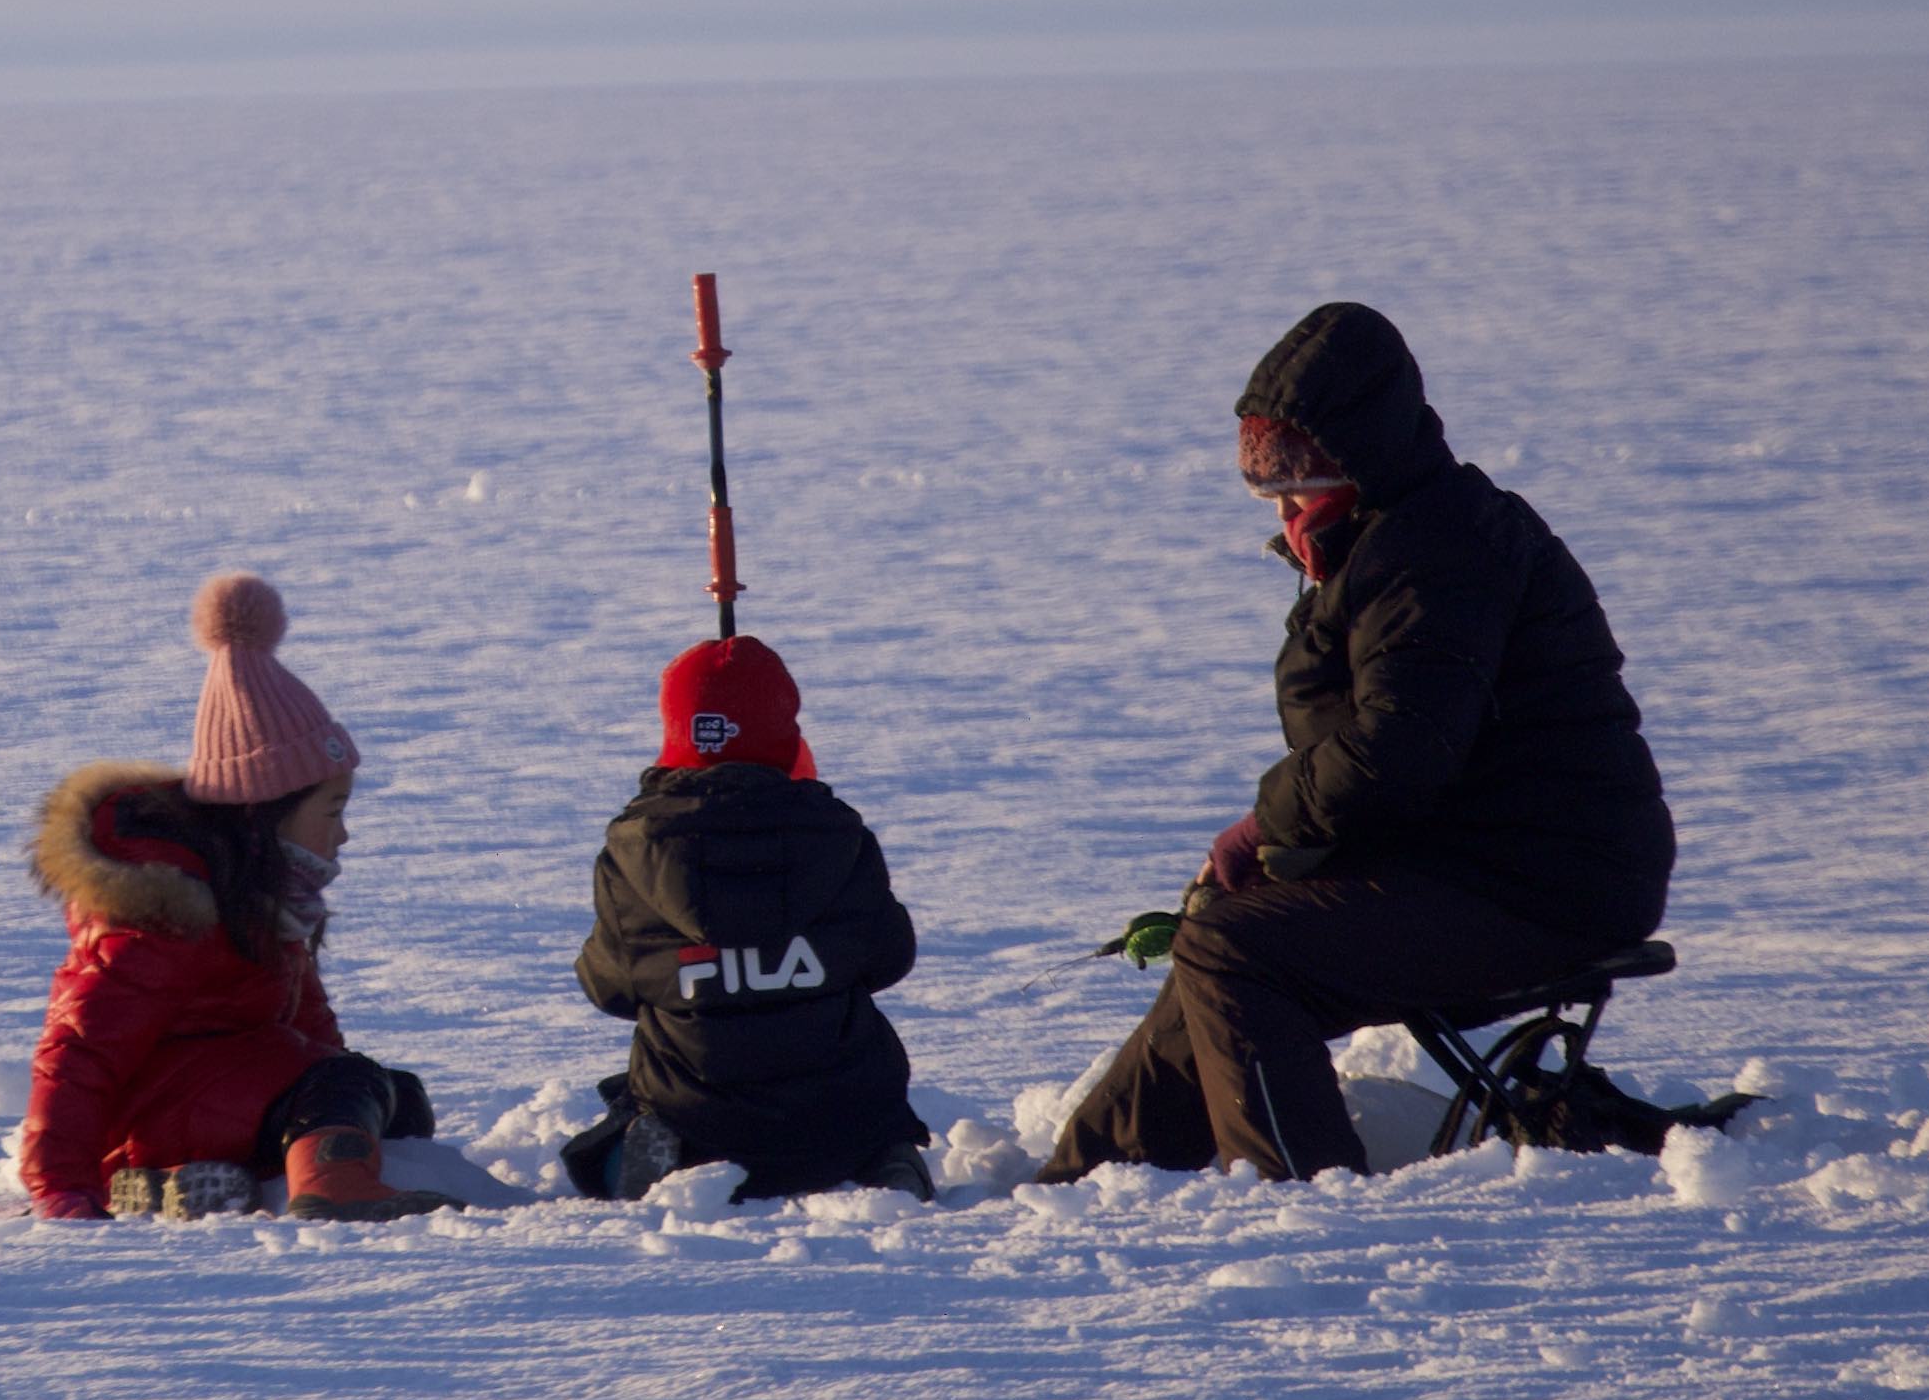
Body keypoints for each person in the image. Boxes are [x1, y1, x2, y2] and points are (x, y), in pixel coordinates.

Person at [1041, 302, 1676, 1182]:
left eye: (1301, 477)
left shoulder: (1434, 553)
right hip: (1480, 864)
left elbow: (1397, 754)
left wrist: (1264, 828)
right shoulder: (1392, 544)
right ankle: (1079, 1186)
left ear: (1364, 455)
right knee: (1222, 934)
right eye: (1273, 484)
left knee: (1235, 950)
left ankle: (1304, 1202)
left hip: (1546, 886)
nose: (1289, 504)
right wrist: (1282, 845)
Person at [21, 574, 446, 1221]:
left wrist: (339, 1080)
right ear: (265, 812)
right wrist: (60, 1185)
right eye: (330, 812)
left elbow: (306, 1021)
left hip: (218, 1097)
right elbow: (79, 1052)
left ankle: (186, 1182)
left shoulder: (268, 900)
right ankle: (331, 1190)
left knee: (393, 1098)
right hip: (155, 1110)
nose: (344, 833)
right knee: (343, 1090)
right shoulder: (163, 915)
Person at [563, 636, 931, 1200]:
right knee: (873, 1116)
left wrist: (707, 976)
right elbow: (888, 958)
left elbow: (608, 987)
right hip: (841, 1111)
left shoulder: (635, 849)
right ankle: (887, 1164)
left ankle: (652, 1152)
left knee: (633, 1104)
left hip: (695, 1114)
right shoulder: (840, 836)